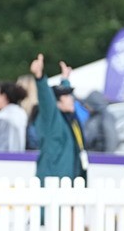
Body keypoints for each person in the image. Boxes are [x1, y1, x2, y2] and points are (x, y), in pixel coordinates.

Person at [30, 54, 87, 183]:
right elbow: (46, 98)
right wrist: (40, 78)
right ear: (57, 103)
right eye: (66, 97)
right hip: (53, 179)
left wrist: (65, 80)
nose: (71, 99)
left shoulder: (67, 119)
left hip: (68, 179)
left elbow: (61, 92)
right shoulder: (51, 118)